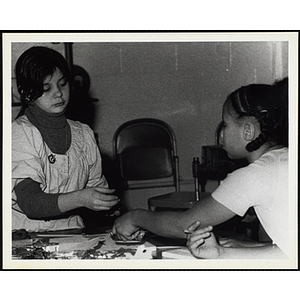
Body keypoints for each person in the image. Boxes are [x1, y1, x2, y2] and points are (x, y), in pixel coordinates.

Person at [112, 77, 289, 259]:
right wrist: (245, 248)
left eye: (225, 124)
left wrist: (135, 218)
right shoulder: (284, 159)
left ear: (247, 131)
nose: (221, 133)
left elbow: (186, 224)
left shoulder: (253, 175)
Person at [12, 46, 119, 232]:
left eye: (62, 84)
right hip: (25, 237)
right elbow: (30, 202)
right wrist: (81, 198)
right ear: (28, 93)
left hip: (73, 233)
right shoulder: (20, 134)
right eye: (46, 88)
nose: (58, 93)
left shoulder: (83, 134)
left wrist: (110, 208)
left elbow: (95, 189)